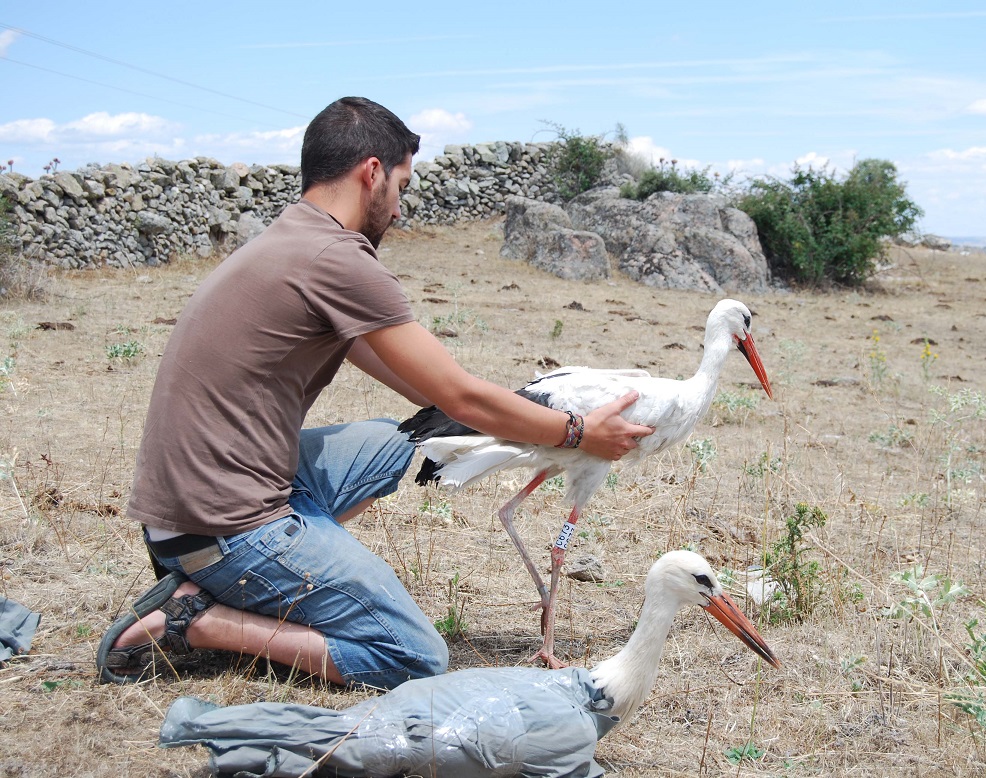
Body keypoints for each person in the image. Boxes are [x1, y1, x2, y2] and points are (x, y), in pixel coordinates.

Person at [96, 96, 653, 689]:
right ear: (371, 173)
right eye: (401, 186)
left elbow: (427, 388)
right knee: (412, 655)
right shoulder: (338, 258)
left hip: (183, 510)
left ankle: (279, 578)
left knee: (394, 441)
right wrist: (578, 431)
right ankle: (198, 618)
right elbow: (461, 396)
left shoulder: (290, 237)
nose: (399, 209)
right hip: (222, 527)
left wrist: (501, 416)